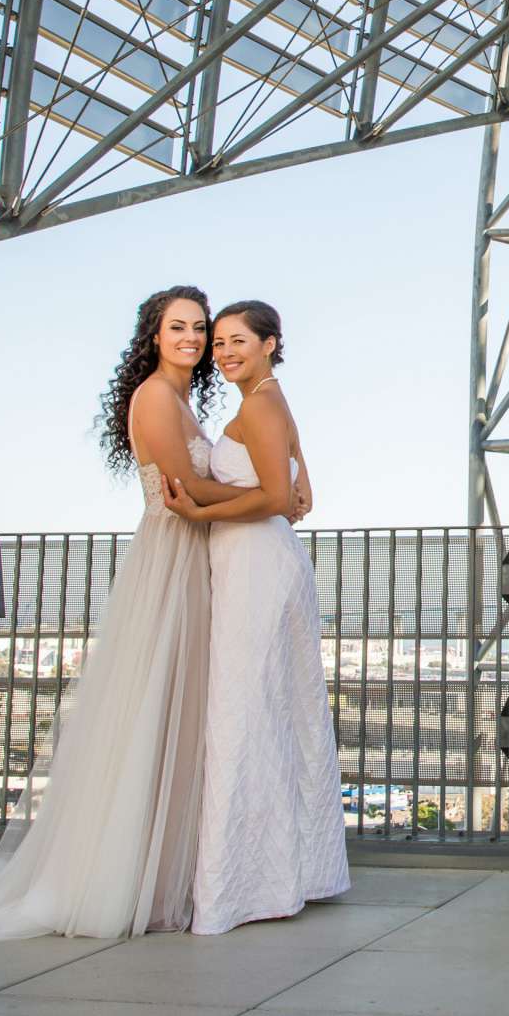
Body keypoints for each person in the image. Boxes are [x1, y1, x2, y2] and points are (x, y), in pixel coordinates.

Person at [0, 287, 220, 938]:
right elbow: (190, 489)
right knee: (155, 706)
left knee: (173, 710)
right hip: (172, 555)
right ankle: (121, 876)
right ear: (153, 335)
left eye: (199, 327)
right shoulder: (156, 397)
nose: (190, 336)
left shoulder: (179, 397)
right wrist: (269, 490)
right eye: (176, 326)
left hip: (187, 556)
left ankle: (158, 870)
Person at [165, 299, 351, 931]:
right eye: (217, 343)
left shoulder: (262, 405)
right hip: (262, 560)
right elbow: (298, 486)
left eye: (237, 341)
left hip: (255, 562)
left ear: (271, 342)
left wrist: (197, 512)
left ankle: (239, 888)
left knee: (243, 710)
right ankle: (282, 875)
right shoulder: (269, 400)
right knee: (274, 707)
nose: (223, 352)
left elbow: (274, 497)